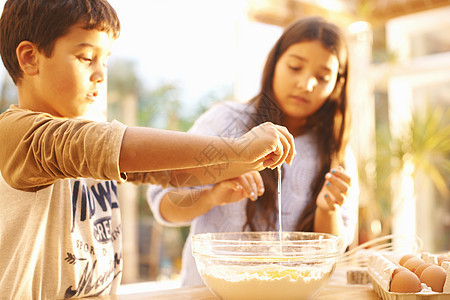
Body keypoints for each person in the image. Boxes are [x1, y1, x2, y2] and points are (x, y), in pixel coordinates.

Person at [0, 0, 296, 298]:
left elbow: (173, 170)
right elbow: (111, 146)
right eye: (86, 57)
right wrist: (238, 149)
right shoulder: (19, 134)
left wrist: (246, 162)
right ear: (30, 58)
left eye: (105, 60)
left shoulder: (88, 143)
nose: (100, 74)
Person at [147, 16, 360, 287]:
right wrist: (213, 195)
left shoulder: (335, 152)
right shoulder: (225, 121)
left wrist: (327, 208)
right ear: (274, 64)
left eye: (322, 77)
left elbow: (333, 252)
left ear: (337, 85)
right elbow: (163, 205)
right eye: (295, 67)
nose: (307, 85)